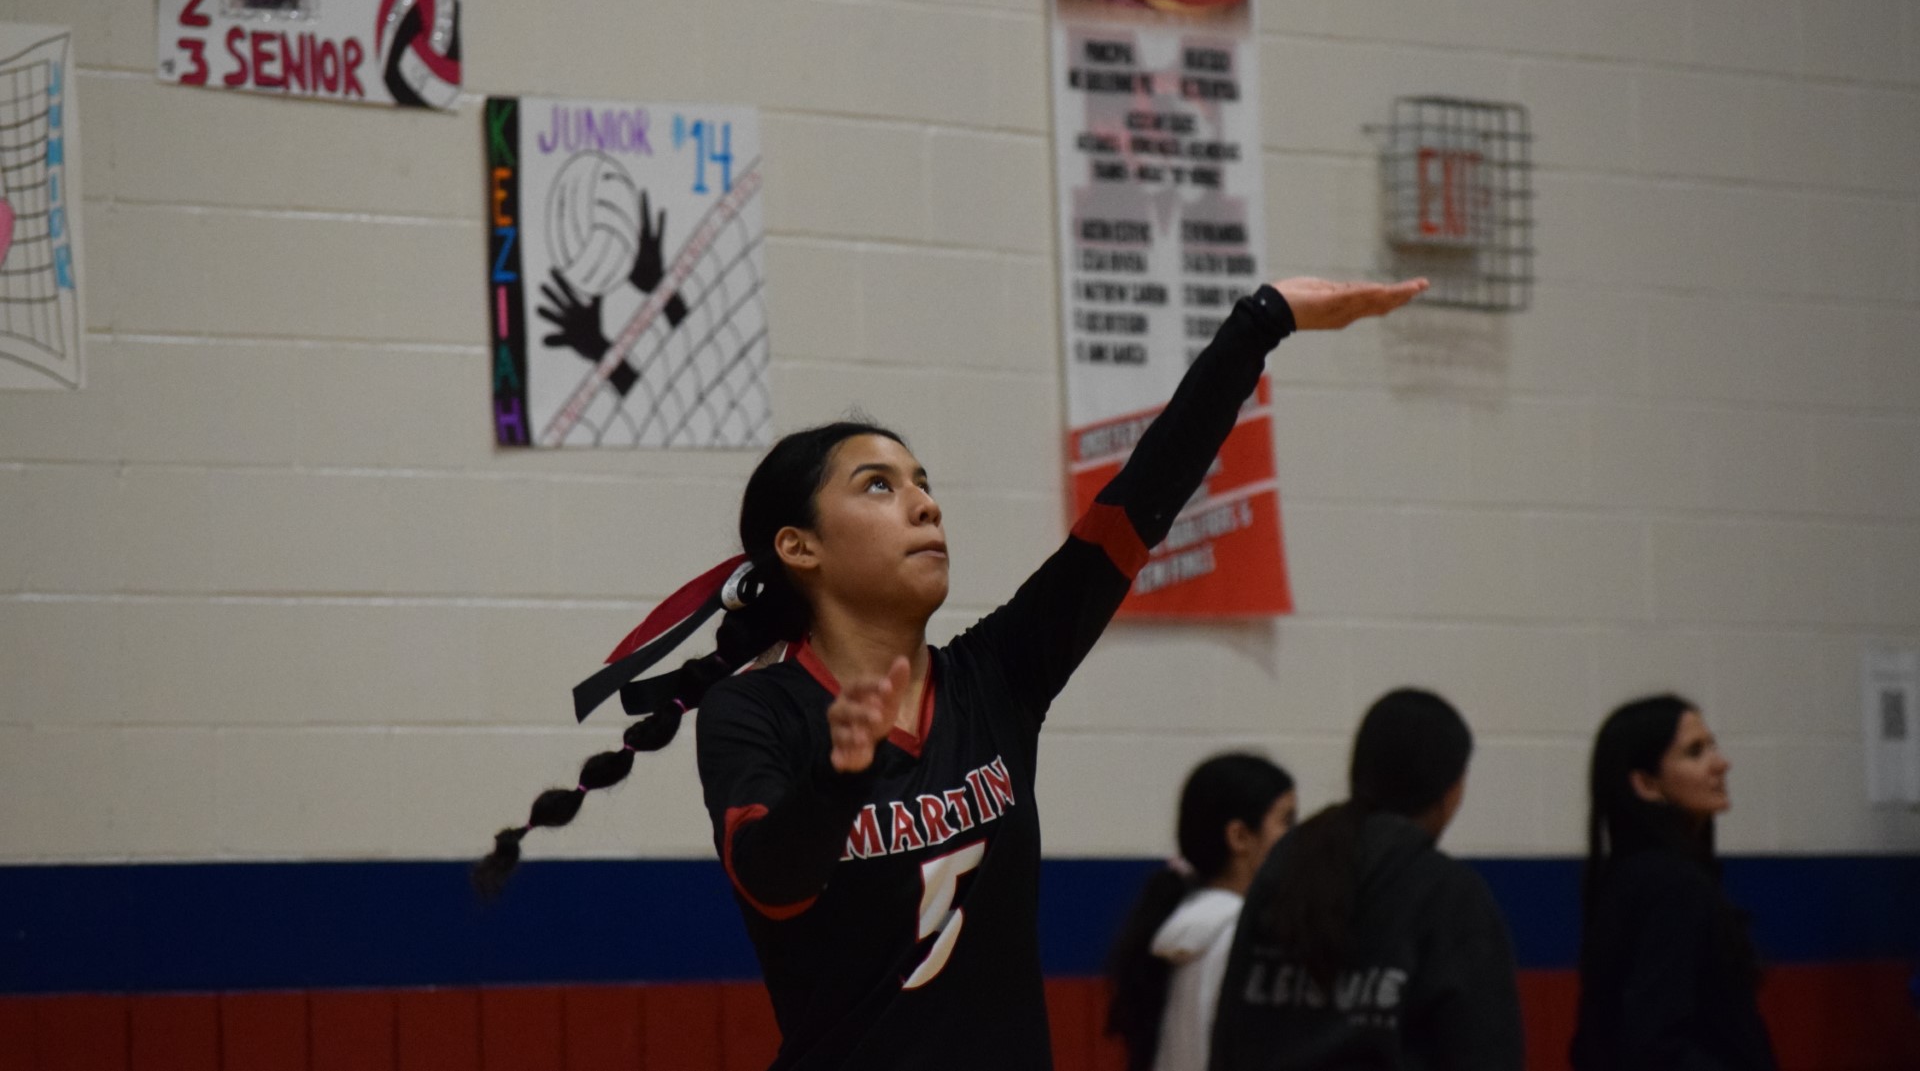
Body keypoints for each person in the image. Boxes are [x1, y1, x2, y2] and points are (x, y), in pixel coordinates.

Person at [474, 275, 1428, 1070]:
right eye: (879, 485)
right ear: (797, 546)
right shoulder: (753, 711)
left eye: (924, 481)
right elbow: (772, 881)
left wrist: (1262, 321)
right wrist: (838, 778)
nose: (925, 503)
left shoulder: (996, 675)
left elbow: (1139, 503)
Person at [1209, 689, 1523, 1071]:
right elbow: (1485, 1050)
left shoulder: (1284, 865)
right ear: (1452, 791)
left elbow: (1229, 1033)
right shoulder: (1447, 894)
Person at [1571, 696, 1777, 1071]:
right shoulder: (1671, 885)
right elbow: (1654, 1043)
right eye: (1695, 752)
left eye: (1713, 745)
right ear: (1647, 784)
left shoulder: (1632, 877)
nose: (1721, 763)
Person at [1106, 753, 1298, 1071]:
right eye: (1287, 820)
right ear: (1239, 837)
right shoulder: (1243, 937)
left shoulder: (1181, 925)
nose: (1297, 837)